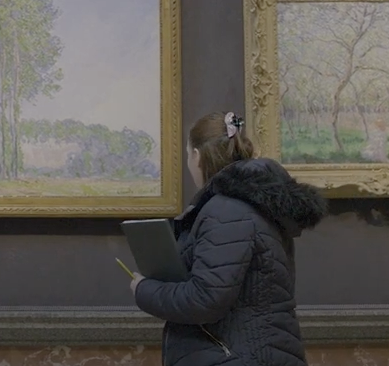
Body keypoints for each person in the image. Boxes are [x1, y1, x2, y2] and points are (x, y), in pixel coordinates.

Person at [129, 111, 327, 366]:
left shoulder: (227, 211)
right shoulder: (253, 205)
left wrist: (143, 289)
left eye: (189, 155)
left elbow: (206, 299)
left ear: (197, 156)